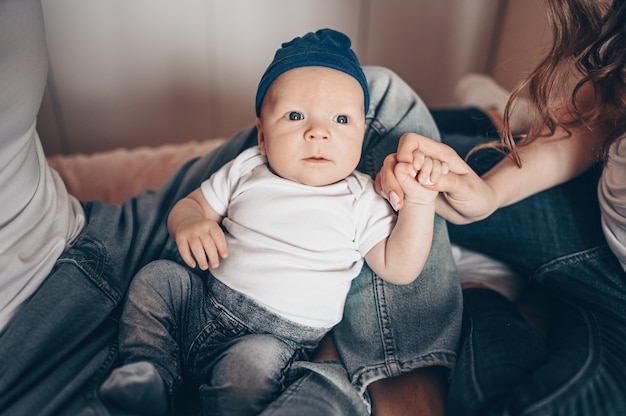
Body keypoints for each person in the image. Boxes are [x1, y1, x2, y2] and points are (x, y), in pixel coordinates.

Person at [0, 1, 462, 414]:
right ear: (262, 133)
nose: (318, 132)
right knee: (159, 279)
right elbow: (193, 204)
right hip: (202, 302)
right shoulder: (248, 167)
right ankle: (148, 371)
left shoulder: (362, 197)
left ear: (363, 138)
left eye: (341, 120)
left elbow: (399, 268)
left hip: (273, 338)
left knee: (252, 368)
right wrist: (191, 223)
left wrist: (419, 202)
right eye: (296, 117)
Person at [376, 0, 626, 414]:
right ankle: (496, 116)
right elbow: (599, 115)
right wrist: (488, 195)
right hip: (588, 207)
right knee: (379, 147)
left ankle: (482, 285)